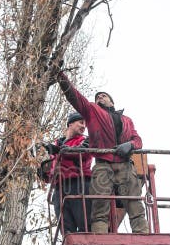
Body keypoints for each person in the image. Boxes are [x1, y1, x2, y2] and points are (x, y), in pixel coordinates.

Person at [55, 70, 149, 234]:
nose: (99, 98)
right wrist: (60, 76)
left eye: (103, 96)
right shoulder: (92, 112)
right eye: (97, 97)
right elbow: (74, 97)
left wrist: (130, 145)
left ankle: (143, 234)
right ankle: (100, 239)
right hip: (103, 163)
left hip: (125, 164)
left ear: (112, 101)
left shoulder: (126, 120)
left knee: (134, 203)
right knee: (99, 205)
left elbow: (138, 139)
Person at [42, 112, 92, 233]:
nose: (84, 126)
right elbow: (49, 175)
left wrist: (58, 150)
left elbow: (84, 153)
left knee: (84, 225)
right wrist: (43, 169)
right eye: (81, 122)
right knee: (66, 229)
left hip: (79, 184)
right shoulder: (57, 144)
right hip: (59, 189)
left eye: (85, 124)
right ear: (70, 124)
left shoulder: (85, 140)